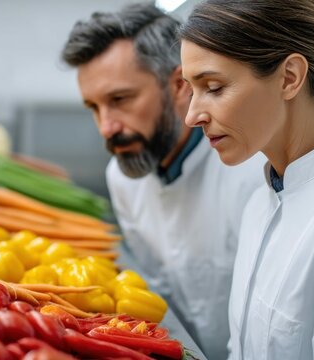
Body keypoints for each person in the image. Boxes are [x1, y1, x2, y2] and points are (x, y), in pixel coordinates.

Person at [180, 0, 314, 359]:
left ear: (289, 77)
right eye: (191, 90)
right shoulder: (262, 201)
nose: (192, 116)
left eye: (213, 87)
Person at [61, 4, 263, 359]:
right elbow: (159, 292)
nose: (106, 127)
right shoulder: (121, 176)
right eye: (93, 107)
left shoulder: (253, 174)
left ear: (180, 85)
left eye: (120, 99)